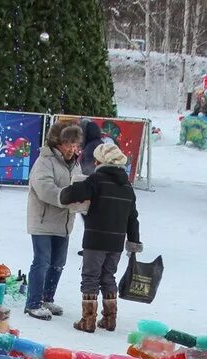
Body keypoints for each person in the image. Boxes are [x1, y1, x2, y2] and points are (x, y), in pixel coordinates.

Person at [58, 143, 140, 334]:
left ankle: (88, 320)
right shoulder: (127, 187)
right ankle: (110, 319)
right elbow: (132, 217)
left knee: (90, 277)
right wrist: (134, 241)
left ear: (101, 161)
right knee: (108, 277)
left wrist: (75, 185)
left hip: (96, 239)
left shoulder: (96, 180)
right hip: (116, 242)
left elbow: (70, 196)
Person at [24, 121, 84, 320]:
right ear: (57, 143)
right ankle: (33, 303)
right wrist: (68, 197)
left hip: (64, 222)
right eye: (67, 144)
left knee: (58, 263)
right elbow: (45, 189)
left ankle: (47, 298)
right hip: (43, 221)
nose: (71, 149)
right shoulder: (45, 161)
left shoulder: (75, 163)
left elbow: (78, 186)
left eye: (74, 144)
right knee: (42, 261)